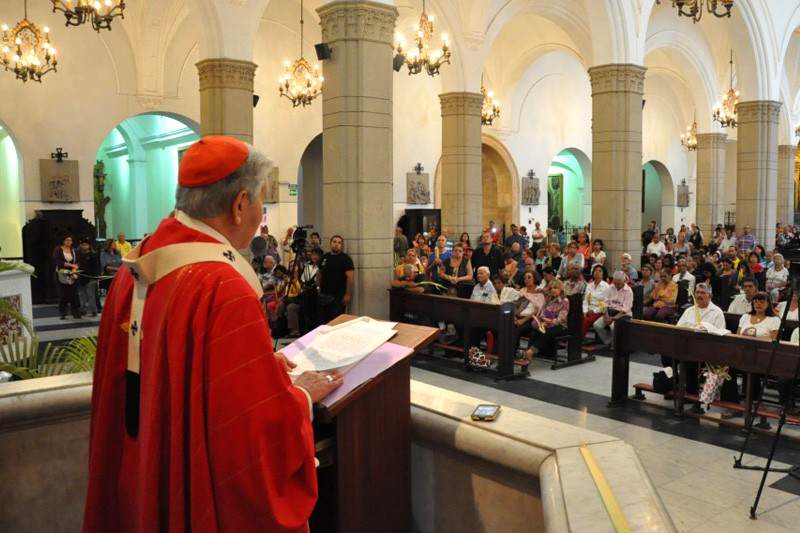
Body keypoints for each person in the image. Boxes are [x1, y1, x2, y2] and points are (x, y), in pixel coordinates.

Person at [83, 136, 343, 531]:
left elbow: (175, 362)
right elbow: (248, 435)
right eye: (260, 201)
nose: (260, 213)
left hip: (141, 463)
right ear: (239, 205)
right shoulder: (222, 287)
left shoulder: (137, 264)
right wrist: (300, 395)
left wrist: (257, 364)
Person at [526, 279, 570, 360]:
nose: (553, 290)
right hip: (547, 323)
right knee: (535, 331)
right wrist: (542, 321)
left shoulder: (565, 301)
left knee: (546, 332)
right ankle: (528, 352)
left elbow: (561, 318)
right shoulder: (549, 299)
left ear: (561, 290)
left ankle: (531, 351)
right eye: (552, 288)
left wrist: (550, 322)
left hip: (561, 326)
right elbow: (542, 311)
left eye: (556, 288)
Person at [319, 235, 355, 322]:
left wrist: (348, 294)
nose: (336, 244)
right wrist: (318, 287)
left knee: (337, 321)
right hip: (324, 296)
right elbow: (319, 272)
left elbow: (350, 278)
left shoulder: (346, 259)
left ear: (341, 245)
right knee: (325, 321)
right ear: (330, 243)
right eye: (334, 242)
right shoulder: (325, 257)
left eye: (339, 243)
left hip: (338, 297)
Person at [593, 272, 633, 346]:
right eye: (615, 283)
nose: (616, 286)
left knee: (613, 326)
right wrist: (606, 315)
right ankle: (609, 341)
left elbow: (625, 309)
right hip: (610, 312)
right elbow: (605, 303)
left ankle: (615, 345)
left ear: (623, 281)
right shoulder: (610, 287)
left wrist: (613, 319)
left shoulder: (629, 291)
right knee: (597, 325)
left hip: (623, 315)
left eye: (618, 284)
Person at [76, 239, 101, 317]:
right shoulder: (78, 255)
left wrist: (96, 277)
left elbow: (97, 267)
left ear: (89, 246)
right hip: (80, 277)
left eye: (86, 244)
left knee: (91, 295)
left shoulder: (93, 255)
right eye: (83, 244)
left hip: (91, 278)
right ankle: (82, 309)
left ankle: (94, 310)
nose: (84, 246)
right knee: (81, 295)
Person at [583, 265, 609, 337]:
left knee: (586, 321)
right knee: (576, 317)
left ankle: (577, 341)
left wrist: (594, 311)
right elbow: (585, 301)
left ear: (603, 274)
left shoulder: (606, 286)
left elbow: (605, 304)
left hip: (599, 311)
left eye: (599, 271)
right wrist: (584, 311)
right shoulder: (589, 285)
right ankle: (572, 338)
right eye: (595, 270)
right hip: (588, 310)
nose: (597, 272)